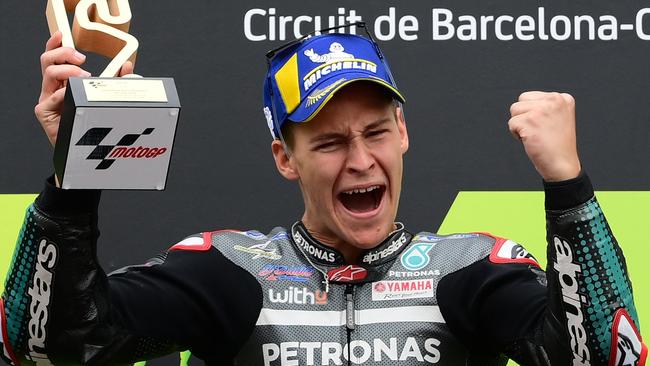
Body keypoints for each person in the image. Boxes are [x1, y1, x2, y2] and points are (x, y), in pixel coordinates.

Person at [0, 25, 646, 366]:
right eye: (331, 142)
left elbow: (609, 358)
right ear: (286, 159)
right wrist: (78, 175)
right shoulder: (225, 272)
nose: (361, 159)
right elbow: (46, 346)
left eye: (375, 132)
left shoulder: (471, 271)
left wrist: (568, 189)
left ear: (403, 134)